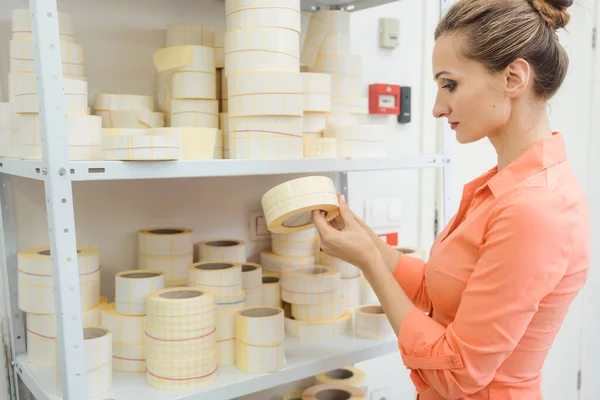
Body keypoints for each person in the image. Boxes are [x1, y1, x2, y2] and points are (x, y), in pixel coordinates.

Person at [313, 0, 590, 398]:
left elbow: (459, 373)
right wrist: (366, 240)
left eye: (450, 84)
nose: (438, 108)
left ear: (513, 78)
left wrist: (369, 262)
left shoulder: (536, 209)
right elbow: (436, 291)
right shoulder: (499, 188)